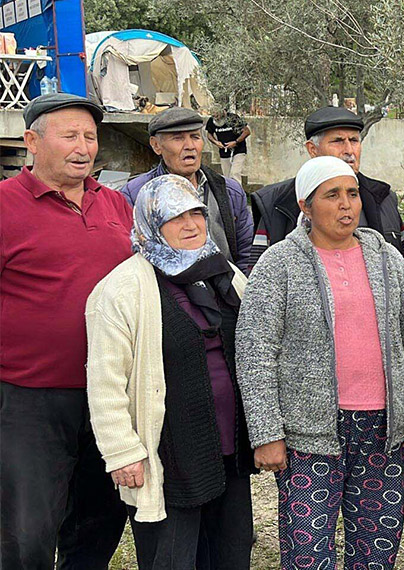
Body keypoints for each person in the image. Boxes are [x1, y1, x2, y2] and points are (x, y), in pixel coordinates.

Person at [236, 156, 404, 570]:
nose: (346, 204)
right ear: (305, 206)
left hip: (382, 427)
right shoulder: (279, 264)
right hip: (308, 432)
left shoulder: (387, 260)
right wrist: (266, 432)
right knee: (308, 553)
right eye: (332, 195)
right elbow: (255, 351)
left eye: (352, 193)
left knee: (376, 549)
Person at [86, 174, 255, 569]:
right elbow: (105, 381)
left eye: (196, 212)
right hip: (168, 454)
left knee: (231, 551)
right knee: (173, 556)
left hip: (225, 445)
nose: (192, 225)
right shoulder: (122, 290)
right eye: (176, 217)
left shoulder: (224, 274)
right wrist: (121, 451)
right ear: (149, 224)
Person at [0, 93, 131, 569]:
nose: (84, 147)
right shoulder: (4, 205)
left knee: (99, 518)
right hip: (29, 397)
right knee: (27, 529)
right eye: (70, 135)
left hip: (109, 395)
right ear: (32, 141)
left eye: (91, 137)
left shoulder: (115, 203)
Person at [250, 106, 404, 267]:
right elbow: (260, 279)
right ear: (313, 149)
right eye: (338, 141)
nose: (349, 151)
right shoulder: (278, 202)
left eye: (354, 141)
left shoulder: (384, 198)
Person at [123, 106, 254, 273]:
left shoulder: (230, 191)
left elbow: (247, 253)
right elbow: (129, 255)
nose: (190, 146)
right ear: (156, 146)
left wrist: (240, 291)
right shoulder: (135, 195)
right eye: (178, 138)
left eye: (195, 137)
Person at [205, 109, 252, 181]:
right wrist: (216, 142)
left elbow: (247, 131)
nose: (216, 118)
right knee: (227, 177)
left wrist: (235, 142)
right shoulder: (211, 121)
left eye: (217, 116)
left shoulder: (233, 118)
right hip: (224, 151)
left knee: (234, 174)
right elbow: (209, 134)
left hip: (238, 149)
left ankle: (237, 192)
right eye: (214, 116)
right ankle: (229, 192)